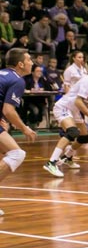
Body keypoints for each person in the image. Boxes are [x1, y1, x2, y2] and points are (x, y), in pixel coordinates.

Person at [43, 56, 88, 178]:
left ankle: (67, 157)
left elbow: (87, 101)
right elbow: (78, 101)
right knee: (72, 132)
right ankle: (51, 162)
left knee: (85, 137)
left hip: (73, 110)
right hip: (64, 107)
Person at [0, 50, 38, 214]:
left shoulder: (2, 75)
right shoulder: (17, 80)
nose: (32, 63)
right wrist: (25, 129)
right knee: (16, 154)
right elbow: (8, 110)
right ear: (20, 64)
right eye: (29, 60)